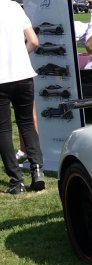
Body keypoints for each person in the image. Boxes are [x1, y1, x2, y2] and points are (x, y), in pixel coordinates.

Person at [1, 0, 45, 194]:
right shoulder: (14, 6)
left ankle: (16, 180)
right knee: (26, 123)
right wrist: (19, 55)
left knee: (3, 130)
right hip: (24, 75)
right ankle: (37, 169)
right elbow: (34, 41)